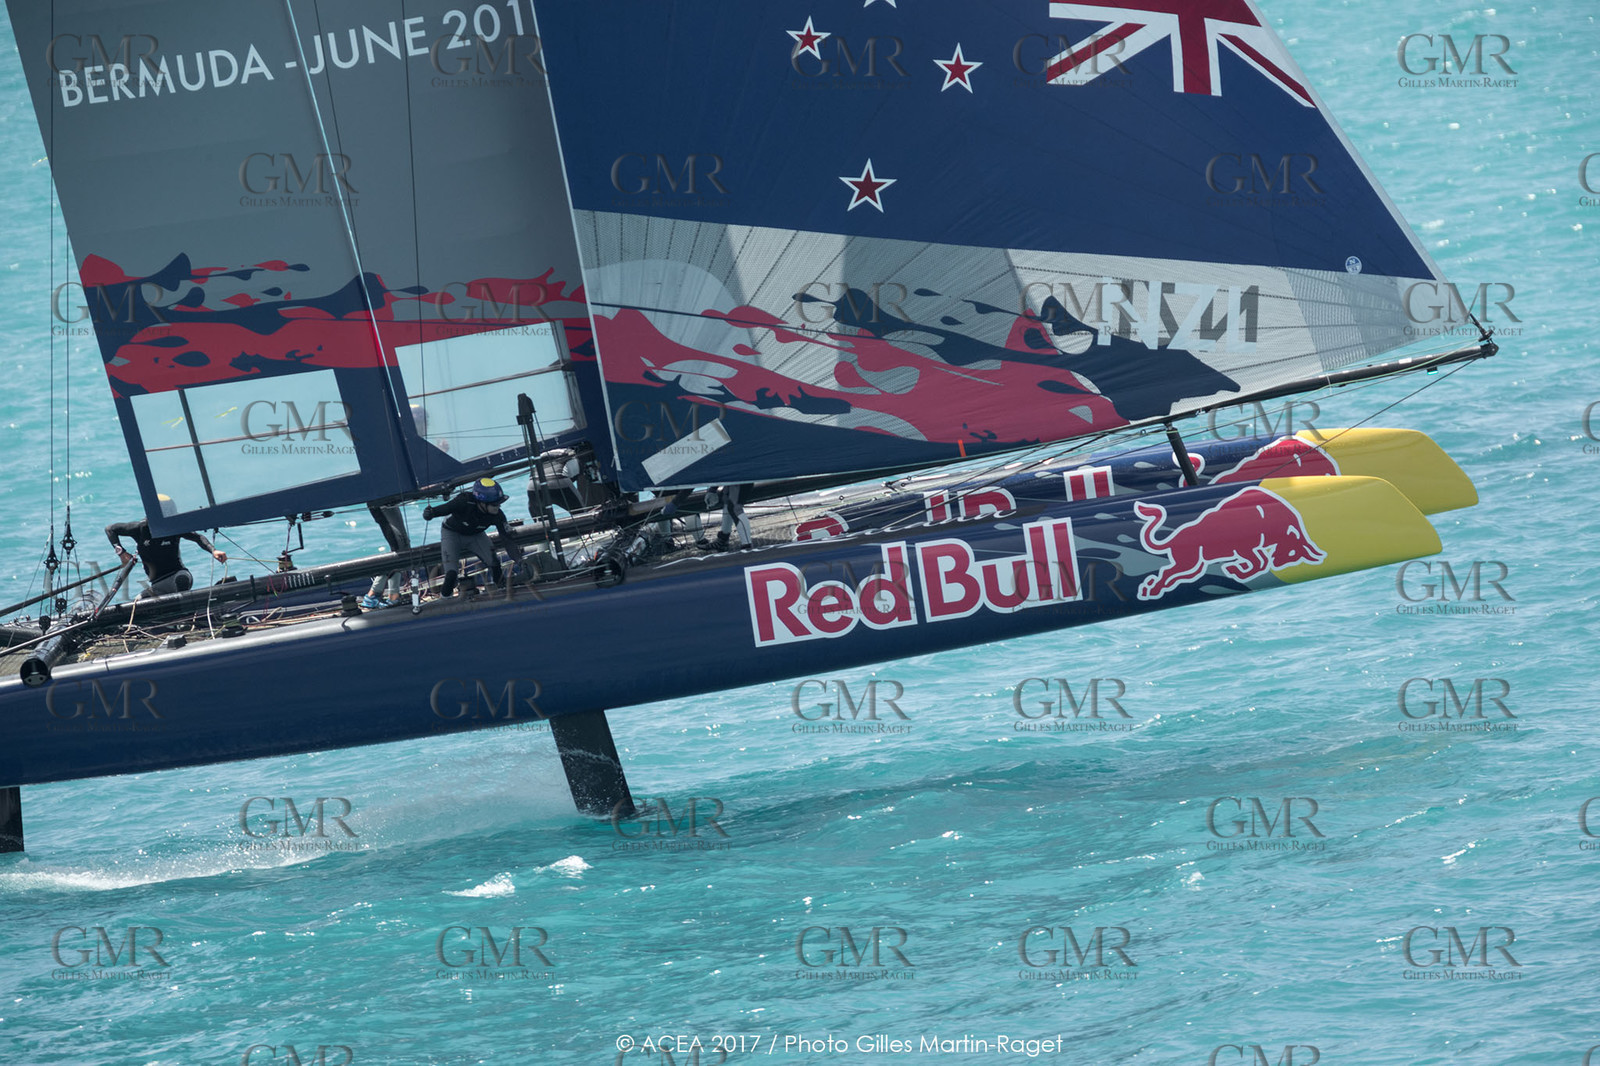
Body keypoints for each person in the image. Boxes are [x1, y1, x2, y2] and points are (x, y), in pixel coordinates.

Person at [105, 496, 227, 598]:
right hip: (157, 585)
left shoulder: (174, 527)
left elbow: (197, 537)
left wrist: (213, 550)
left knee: (182, 579)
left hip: (178, 575)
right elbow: (110, 529)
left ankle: (186, 614)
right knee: (137, 602)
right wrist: (122, 553)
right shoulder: (140, 529)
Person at [422, 477, 523, 597]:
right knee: (451, 574)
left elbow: (507, 541)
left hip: (476, 535)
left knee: (495, 563)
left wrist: (519, 561)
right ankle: (445, 599)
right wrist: (430, 513)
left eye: (499, 503)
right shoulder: (464, 501)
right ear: (482, 503)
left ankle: (501, 590)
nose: (498, 507)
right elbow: (445, 508)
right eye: (494, 504)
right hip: (452, 534)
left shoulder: (498, 515)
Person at [360, 502, 412, 610]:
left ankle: (393, 596)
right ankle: (373, 594)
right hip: (384, 504)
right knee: (401, 549)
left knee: (400, 549)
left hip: (386, 503)